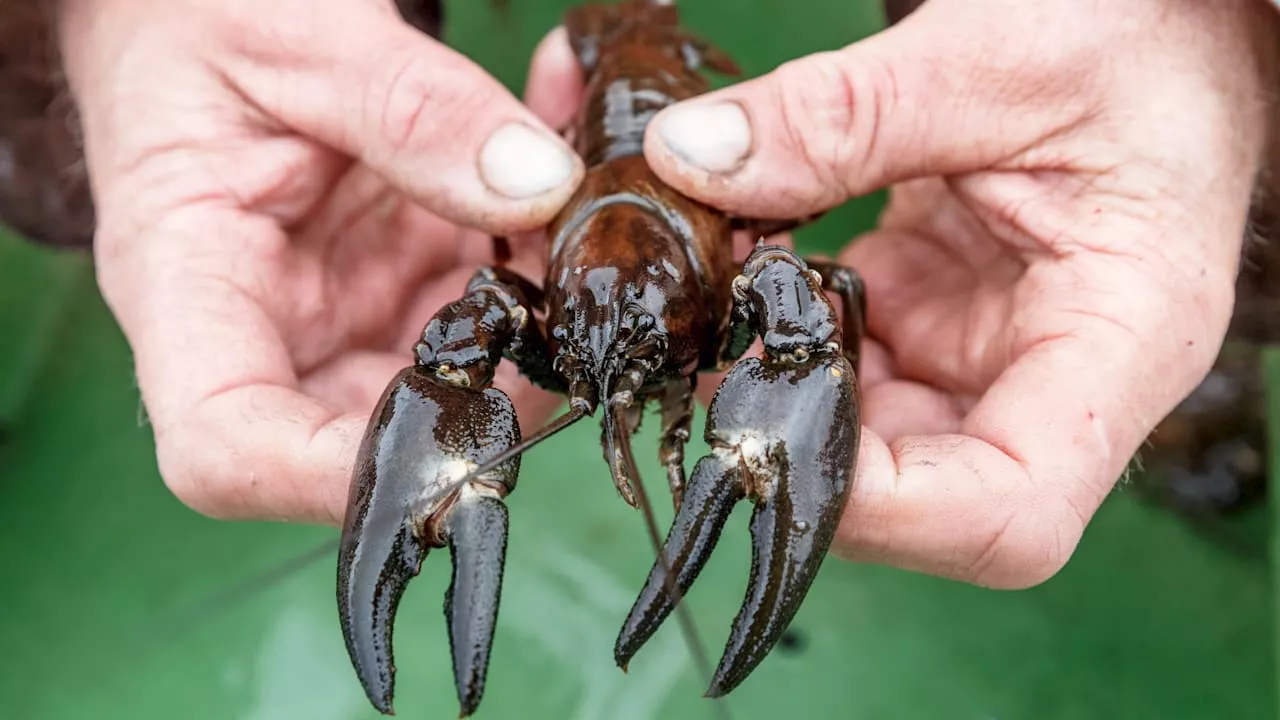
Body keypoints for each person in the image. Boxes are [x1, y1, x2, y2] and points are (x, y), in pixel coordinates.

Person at [44, 0, 1279, 590]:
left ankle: (1203, 357)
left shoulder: (757, 276)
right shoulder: (513, 303)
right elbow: (481, 322)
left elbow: (813, 283)